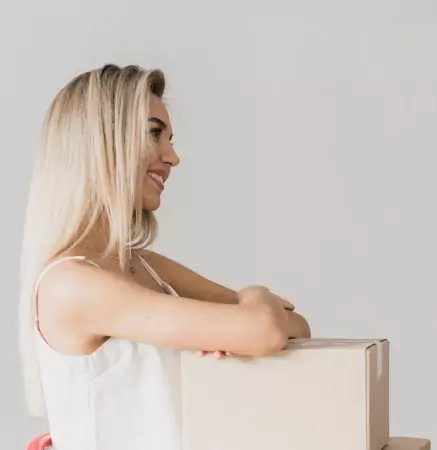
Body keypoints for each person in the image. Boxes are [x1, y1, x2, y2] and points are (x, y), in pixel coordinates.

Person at [18, 64, 311, 450]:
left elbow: (297, 327)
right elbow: (267, 329)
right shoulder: (71, 285)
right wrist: (255, 296)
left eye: (169, 138)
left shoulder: (144, 267)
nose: (172, 157)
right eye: (155, 133)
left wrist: (245, 323)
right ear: (102, 140)